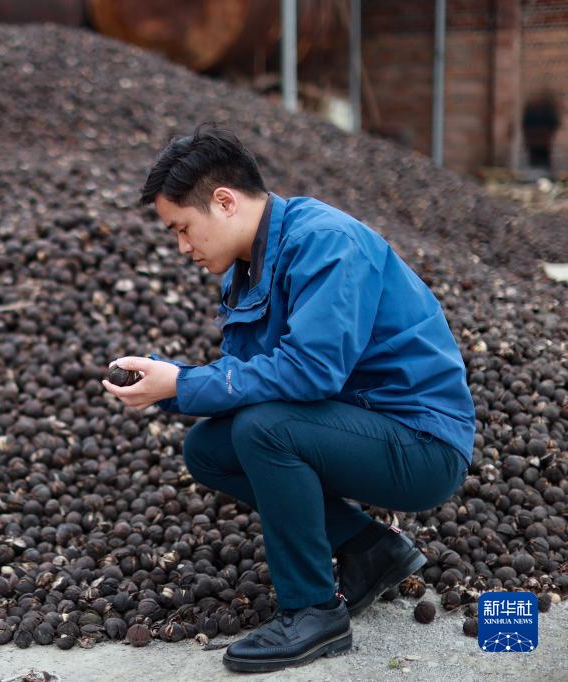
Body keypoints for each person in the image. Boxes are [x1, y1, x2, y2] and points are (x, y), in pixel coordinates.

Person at [102, 124, 475, 673]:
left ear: (224, 202)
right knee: (209, 448)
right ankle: (371, 550)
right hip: (358, 429)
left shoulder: (324, 242)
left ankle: (314, 611)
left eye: (182, 228)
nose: (182, 247)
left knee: (264, 429)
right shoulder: (250, 267)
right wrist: (170, 385)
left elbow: (312, 372)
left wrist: (184, 384)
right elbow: (253, 374)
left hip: (421, 444)